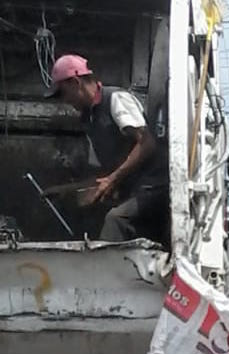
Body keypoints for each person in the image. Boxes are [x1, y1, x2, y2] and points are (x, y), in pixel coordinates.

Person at [46, 54, 168, 244]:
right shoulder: (89, 120)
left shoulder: (115, 99)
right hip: (131, 190)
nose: (65, 101)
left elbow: (147, 142)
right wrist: (66, 190)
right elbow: (102, 174)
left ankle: (103, 270)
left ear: (76, 83)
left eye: (63, 93)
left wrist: (113, 179)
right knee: (89, 216)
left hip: (153, 187)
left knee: (116, 219)